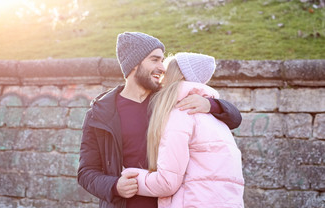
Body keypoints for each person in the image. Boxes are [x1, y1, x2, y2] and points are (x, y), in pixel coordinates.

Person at [77, 32, 242, 208]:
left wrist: (211, 104)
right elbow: (86, 172)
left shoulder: (172, 102)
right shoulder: (100, 112)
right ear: (134, 64)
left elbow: (235, 119)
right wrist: (114, 186)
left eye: (162, 60)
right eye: (154, 60)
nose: (162, 67)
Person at [123, 52, 244, 208]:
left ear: (178, 76)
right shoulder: (216, 119)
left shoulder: (182, 112)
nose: (162, 78)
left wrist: (129, 175)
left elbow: (167, 183)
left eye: (166, 72)